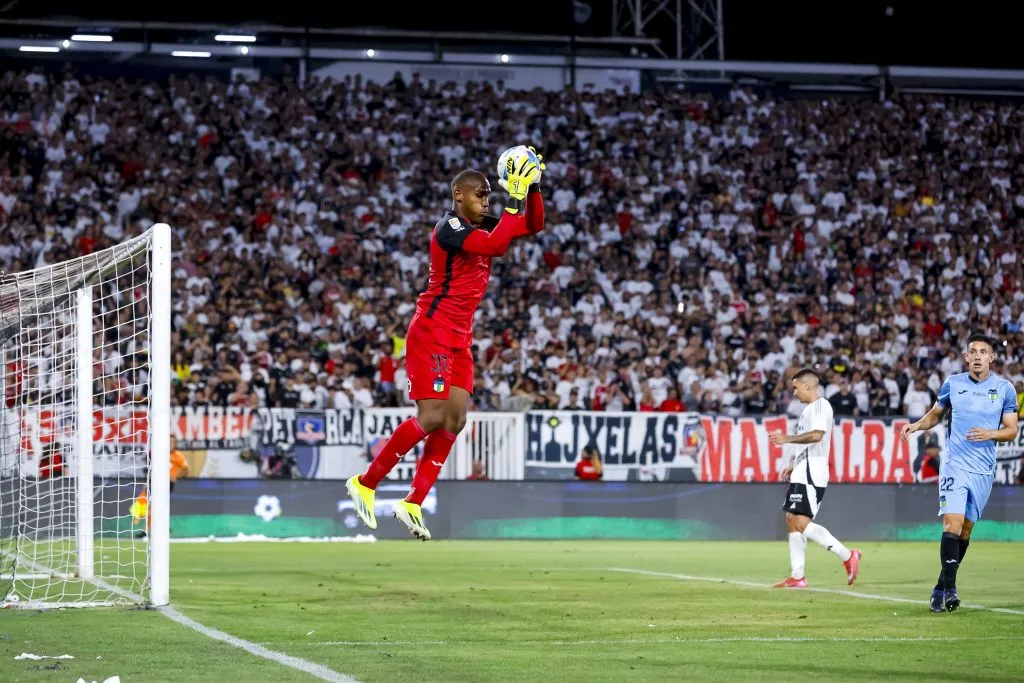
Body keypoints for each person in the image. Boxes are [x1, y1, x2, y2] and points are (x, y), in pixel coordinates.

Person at [345, 147, 545, 539]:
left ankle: (412, 502)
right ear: (459, 195)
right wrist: (514, 198)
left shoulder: (486, 223)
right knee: (433, 414)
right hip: (432, 328)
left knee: (455, 418)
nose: (486, 201)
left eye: (489, 195)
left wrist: (533, 187)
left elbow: (534, 225)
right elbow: (496, 246)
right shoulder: (448, 227)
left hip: (460, 337)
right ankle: (366, 483)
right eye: (480, 195)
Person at [901, 333, 1018, 612]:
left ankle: (940, 586)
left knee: (965, 531)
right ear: (966, 357)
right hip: (954, 464)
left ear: (992, 357)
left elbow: (1012, 430)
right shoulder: (952, 384)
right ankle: (951, 591)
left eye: (983, 352)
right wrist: (916, 426)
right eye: (973, 351)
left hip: (983, 470)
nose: (977, 356)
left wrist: (990, 433)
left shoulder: (1004, 389)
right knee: (952, 524)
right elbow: (935, 415)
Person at [769, 369, 862, 588]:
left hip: (812, 472)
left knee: (801, 523)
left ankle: (848, 555)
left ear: (807, 386)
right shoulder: (808, 411)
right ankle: (797, 576)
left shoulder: (821, 406)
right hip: (802, 469)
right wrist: (793, 463)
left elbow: (817, 435)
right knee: (791, 520)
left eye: (796, 387)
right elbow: (810, 442)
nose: (794, 393)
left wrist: (786, 439)